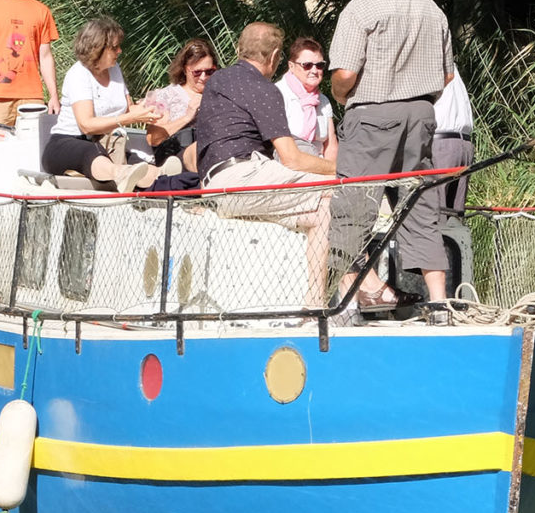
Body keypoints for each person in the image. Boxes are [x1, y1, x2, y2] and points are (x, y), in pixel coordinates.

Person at [327, 0, 455, 311]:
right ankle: (439, 302)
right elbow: (447, 75)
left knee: (354, 206)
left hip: (372, 115)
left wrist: (339, 95)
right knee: (418, 203)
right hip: (422, 116)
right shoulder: (431, 8)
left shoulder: (362, 8)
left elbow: (346, 73)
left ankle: (343, 304)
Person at [194, 22, 337, 305]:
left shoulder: (218, 80)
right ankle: (316, 302)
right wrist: (342, 171)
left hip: (213, 184)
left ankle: (315, 300)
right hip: (244, 176)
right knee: (330, 195)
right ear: (274, 57)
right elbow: (291, 158)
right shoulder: (265, 90)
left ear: (239, 49)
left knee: (318, 215)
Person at [42, 17, 168, 192]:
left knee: (136, 162)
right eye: (114, 47)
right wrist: (130, 118)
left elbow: (128, 108)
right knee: (91, 152)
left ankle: (165, 177)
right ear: (97, 49)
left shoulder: (114, 69)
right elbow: (86, 125)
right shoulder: (79, 74)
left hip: (106, 142)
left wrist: (148, 110)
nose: (120, 51)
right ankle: (121, 174)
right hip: (68, 143)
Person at [427, 65, 474, 299]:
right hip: (458, 141)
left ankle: (448, 293)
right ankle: (449, 292)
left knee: (439, 222)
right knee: (445, 221)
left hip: (446, 142)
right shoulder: (443, 58)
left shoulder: (431, 56)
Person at [143, 38, 220, 173]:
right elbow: (153, 139)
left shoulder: (219, 94)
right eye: (197, 72)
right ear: (185, 69)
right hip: (176, 160)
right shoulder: (167, 95)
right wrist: (187, 117)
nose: (203, 77)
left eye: (209, 72)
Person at [276, 37, 339, 164]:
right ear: (291, 66)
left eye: (320, 65)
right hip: (290, 167)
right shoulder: (277, 94)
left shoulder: (323, 100)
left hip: (322, 168)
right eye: (307, 65)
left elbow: (331, 144)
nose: (314, 71)